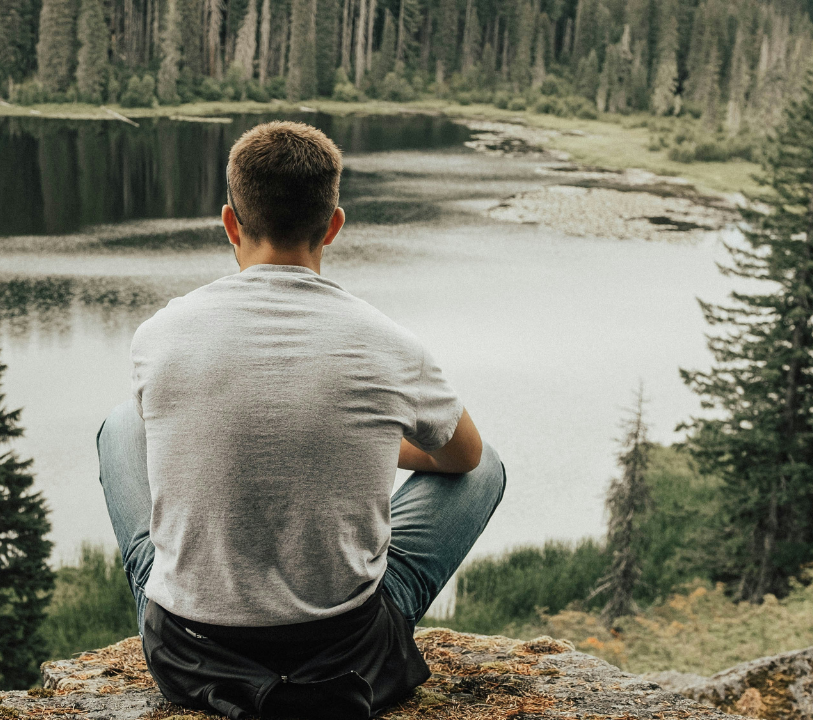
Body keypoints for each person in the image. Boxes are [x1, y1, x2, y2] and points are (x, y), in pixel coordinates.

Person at [95, 121, 507, 719]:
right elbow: (464, 459)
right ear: (334, 226)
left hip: (188, 654)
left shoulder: (160, 334)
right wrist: (363, 439)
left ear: (230, 223)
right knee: (488, 466)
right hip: (346, 656)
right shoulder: (388, 344)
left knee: (121, 425)